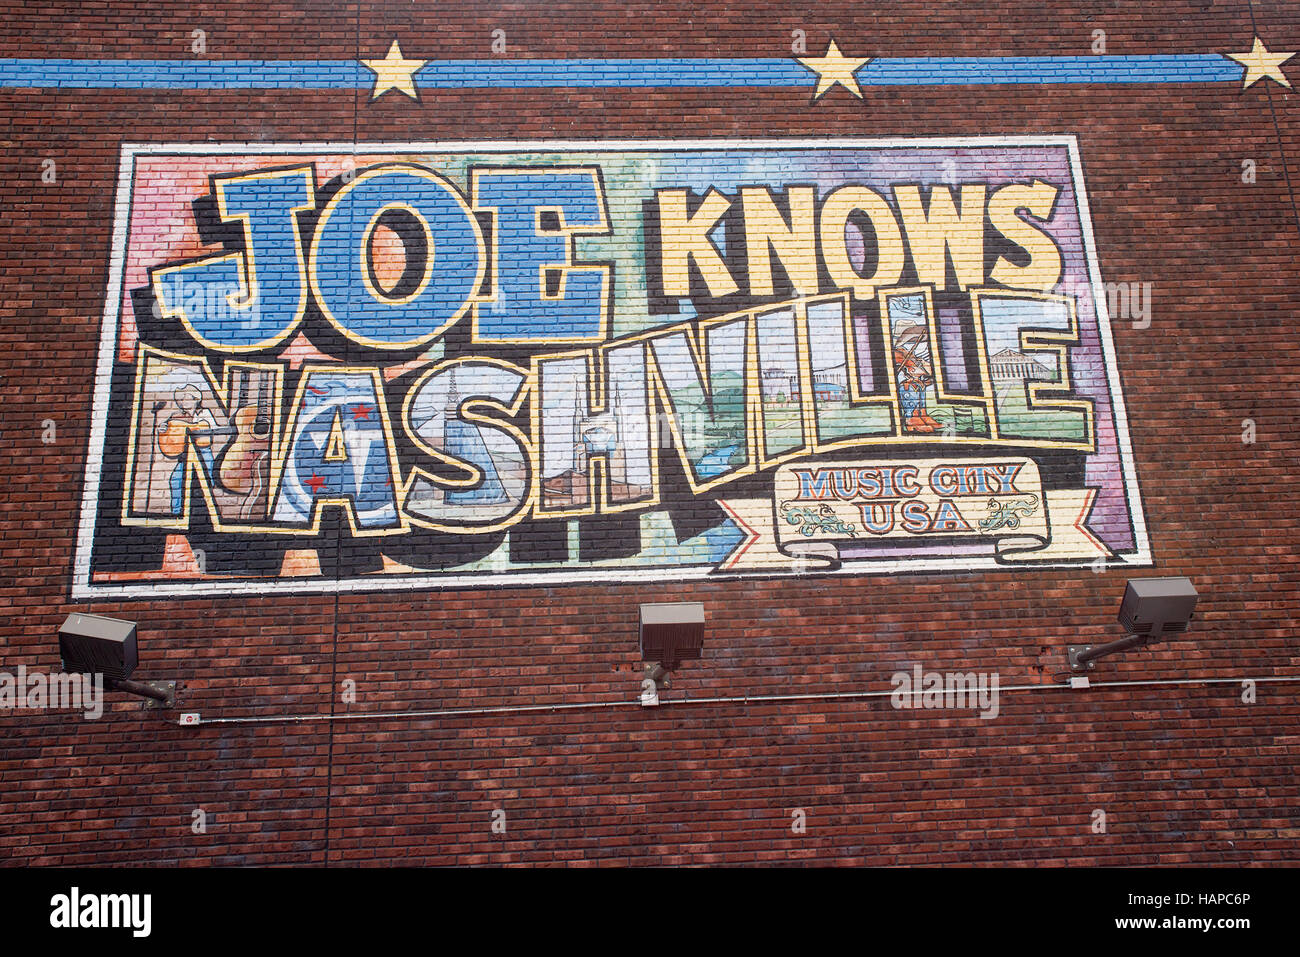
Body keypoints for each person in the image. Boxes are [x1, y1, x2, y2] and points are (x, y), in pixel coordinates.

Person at [160, 384, 218, 514]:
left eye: (186, 399)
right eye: (181, 399)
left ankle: (202, 513)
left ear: (195, 399)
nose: (183, 402)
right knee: (175, 480)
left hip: (203, 453)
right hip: (184, 455)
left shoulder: (204, 413)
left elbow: (213, 429)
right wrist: (163, 429)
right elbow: (169, 428)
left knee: (205, 482)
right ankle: (177, 512)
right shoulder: (177, 415)